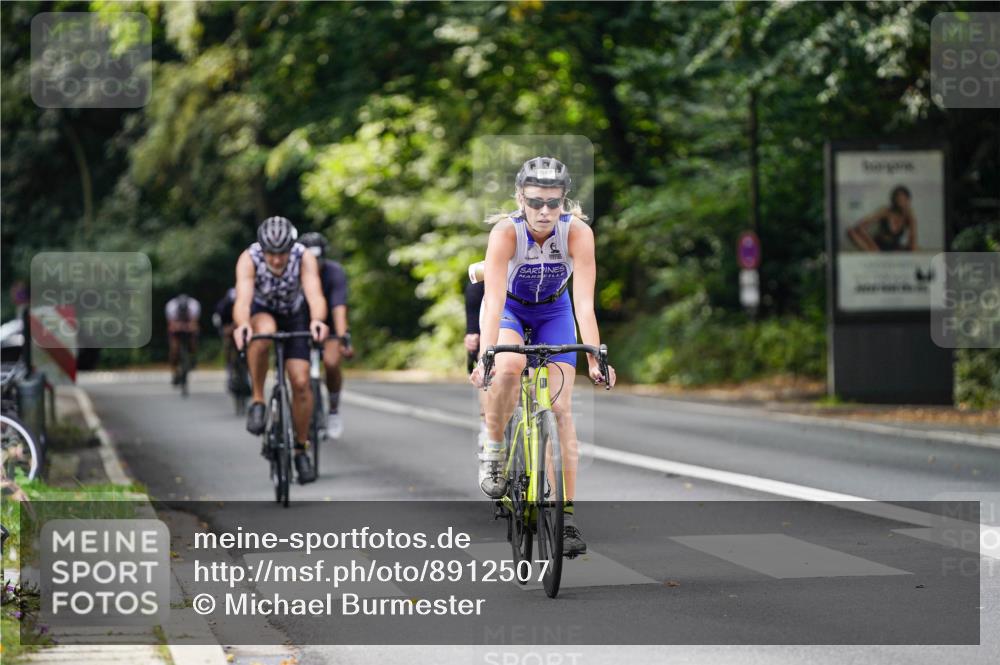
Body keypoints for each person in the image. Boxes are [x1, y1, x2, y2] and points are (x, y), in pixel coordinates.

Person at [469, 156, 617, 557]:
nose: (544, 211)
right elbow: (492, 299)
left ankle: (565, 518)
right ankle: (494, 448)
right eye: (535, 202)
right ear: (520, 198)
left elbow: (583, 304)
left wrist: (595, 358)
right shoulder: (506, 232)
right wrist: (486, 355)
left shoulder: (577, 233)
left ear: (564, 201)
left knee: (561, 409)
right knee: (509, 366)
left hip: (554, 312)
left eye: (553, 202)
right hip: (510, 310)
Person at [232, 217, 329, 484]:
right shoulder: (249, 258)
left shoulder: (303, 256)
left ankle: (300, 449)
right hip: (262, 311)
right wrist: (243, 325)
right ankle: (258, 400)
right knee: (263, 333)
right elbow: (243, 300)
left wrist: (317, 321)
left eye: (282, 253)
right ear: (262, 249)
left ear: (291, 247)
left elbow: (315, 295)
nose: (276, 260)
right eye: (271, 253)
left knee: (301, 381)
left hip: (294, 315)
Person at [298, 232, 354, 439]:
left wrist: (343, 337)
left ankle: (333, 409)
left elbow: (339, 307)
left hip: (328, 325)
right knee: (297, 372)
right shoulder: (292, 272)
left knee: (331, 363)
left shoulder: (334, 272)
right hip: (300, 325)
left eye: (318, 258)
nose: (315, 263)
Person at [847, 185, 918, 252]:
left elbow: (913, 243)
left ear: (908, 201)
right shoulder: (886, 211)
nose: (901, 201)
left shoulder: (909, 216)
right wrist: (872, 244)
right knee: (850, 231)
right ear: (894, 200)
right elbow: (860, 226)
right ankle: (874, 252)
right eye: (898, 199)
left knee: (916, 249)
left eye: (903, 199)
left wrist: (912, 220)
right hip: (878, 246)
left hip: (894, 248)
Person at [464, 273, 488, 450]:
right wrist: (472, 331)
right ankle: (487, 422)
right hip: (490, 318)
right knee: (486, 360)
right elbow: (474, 291)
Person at [165, 294, 200, 385]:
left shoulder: (194, 306)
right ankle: (174, 370)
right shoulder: (171, 307)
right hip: (176, 330)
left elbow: (194, 323)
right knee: (174, 349)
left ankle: (192, 357)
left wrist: (188, 327)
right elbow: (171, 325)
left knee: (194, 337)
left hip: (188, 328)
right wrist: (179, 326)